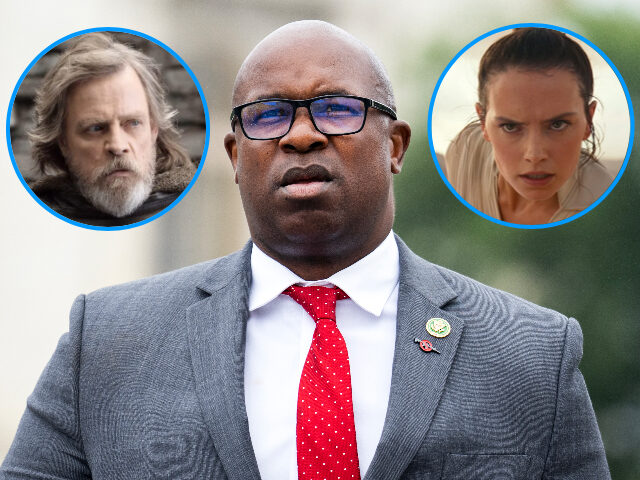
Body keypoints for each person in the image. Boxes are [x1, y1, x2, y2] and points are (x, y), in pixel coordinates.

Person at [1, 21, 610, 479]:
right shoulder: (107, 340)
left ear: (395, 145)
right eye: (267, 116)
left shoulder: (530, 353)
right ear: (237, 159)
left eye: (337, 108)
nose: (301, 133)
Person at [444, 27, 613, 225]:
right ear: (483, 122)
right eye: (510, 127)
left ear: (588, 120)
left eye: (558, 125)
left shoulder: (602, 201)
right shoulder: (464, 153)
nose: (534, 154)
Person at [26, 32, 196, 227]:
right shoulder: (33, 217)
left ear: (153, 129)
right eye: (96, 128)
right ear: (63, 142)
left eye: (133, 123)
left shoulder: (192, 208)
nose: (117, 146)